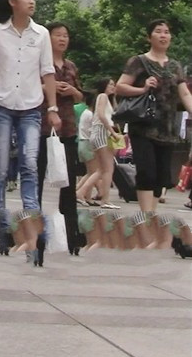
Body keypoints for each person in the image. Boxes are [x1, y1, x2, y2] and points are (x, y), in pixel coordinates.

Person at [0, 0, 60, 258]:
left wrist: (52, 107)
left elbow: (48, 71)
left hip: (31, 107)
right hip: (2, 105)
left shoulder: (41, 34)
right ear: (12, 2)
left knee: (29, 166)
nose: (32, 1)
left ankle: (32, 233)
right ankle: (3, 231)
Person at [116, 19, 192, 216]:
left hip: (167, 127)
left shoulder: (175, 66)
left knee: (161, 176)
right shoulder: (138, 61)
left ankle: (152, 215)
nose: (163, 35)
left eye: (166, 32)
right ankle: (146, 215)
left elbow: (184, 93)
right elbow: (120, 87)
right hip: (143, 126)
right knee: (146, 172)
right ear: (149, 37)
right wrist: (142, 88)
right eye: (158, 31)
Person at [37, 22, 84, 256]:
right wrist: (50, 87)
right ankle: (34, 231)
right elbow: (28, 88)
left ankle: (72, 234)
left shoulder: (71, 66)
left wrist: (72, 91)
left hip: (67, 129)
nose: (63, 39)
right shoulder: (39, 63)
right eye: (58, 35)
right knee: (36, 178)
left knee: (68, 182)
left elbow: (80, 96)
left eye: (66, 35)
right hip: (41, 127)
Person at [76, 79, 120, 210]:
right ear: (104, 85)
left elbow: (114, 113)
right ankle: (105, 199)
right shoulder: (103, 96)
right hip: (102, 132)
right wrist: (113, 132)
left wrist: (114, 96)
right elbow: (101, 115)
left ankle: (81, 192)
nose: (113, 86)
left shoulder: (106, 99)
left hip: (99, 134)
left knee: (101, 169)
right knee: (108, 169)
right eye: (110, 84)